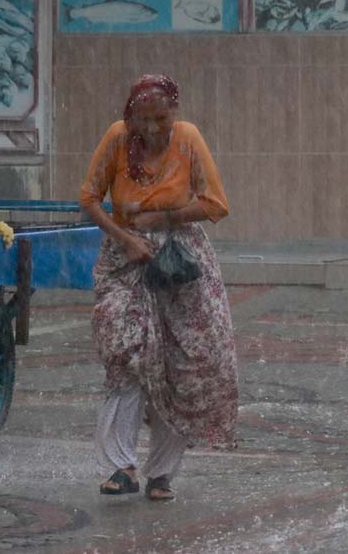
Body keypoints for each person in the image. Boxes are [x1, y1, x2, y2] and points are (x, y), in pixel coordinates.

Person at [79, 74, 238, 502]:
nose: (152, 130)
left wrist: (164, 220)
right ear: (130, 116)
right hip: (123, 260)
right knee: (126, 356)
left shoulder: (187, 139)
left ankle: (162, 473)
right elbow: (90, 197)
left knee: (179, 365)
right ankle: (119, 466)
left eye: (161, 119)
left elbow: (216, 203)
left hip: (179, 263)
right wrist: (127, 237)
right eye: (143, 120)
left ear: (175, 114)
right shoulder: (117, 139)